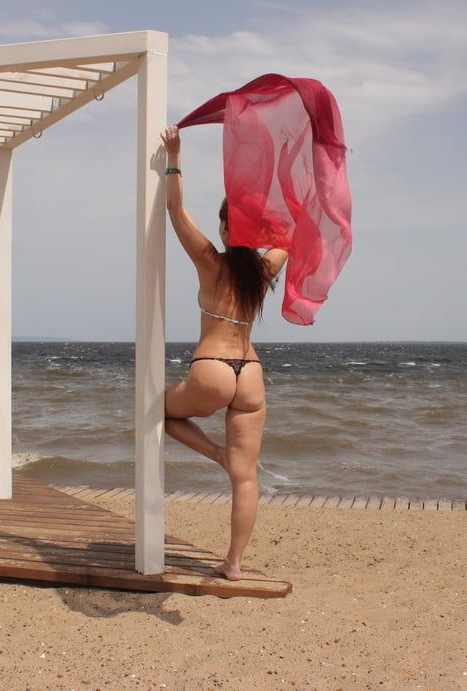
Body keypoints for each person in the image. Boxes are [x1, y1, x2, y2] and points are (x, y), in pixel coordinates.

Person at [160, 125, 288, 581]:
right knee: (246, 475)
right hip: (250, 370)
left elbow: (176, 211)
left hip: (213, 367)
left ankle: (214, 453)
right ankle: (233, 565)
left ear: (224, 225)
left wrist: (174, 156)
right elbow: (290, 232)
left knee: (156, 408)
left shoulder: (210, 261)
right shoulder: (266, 266)